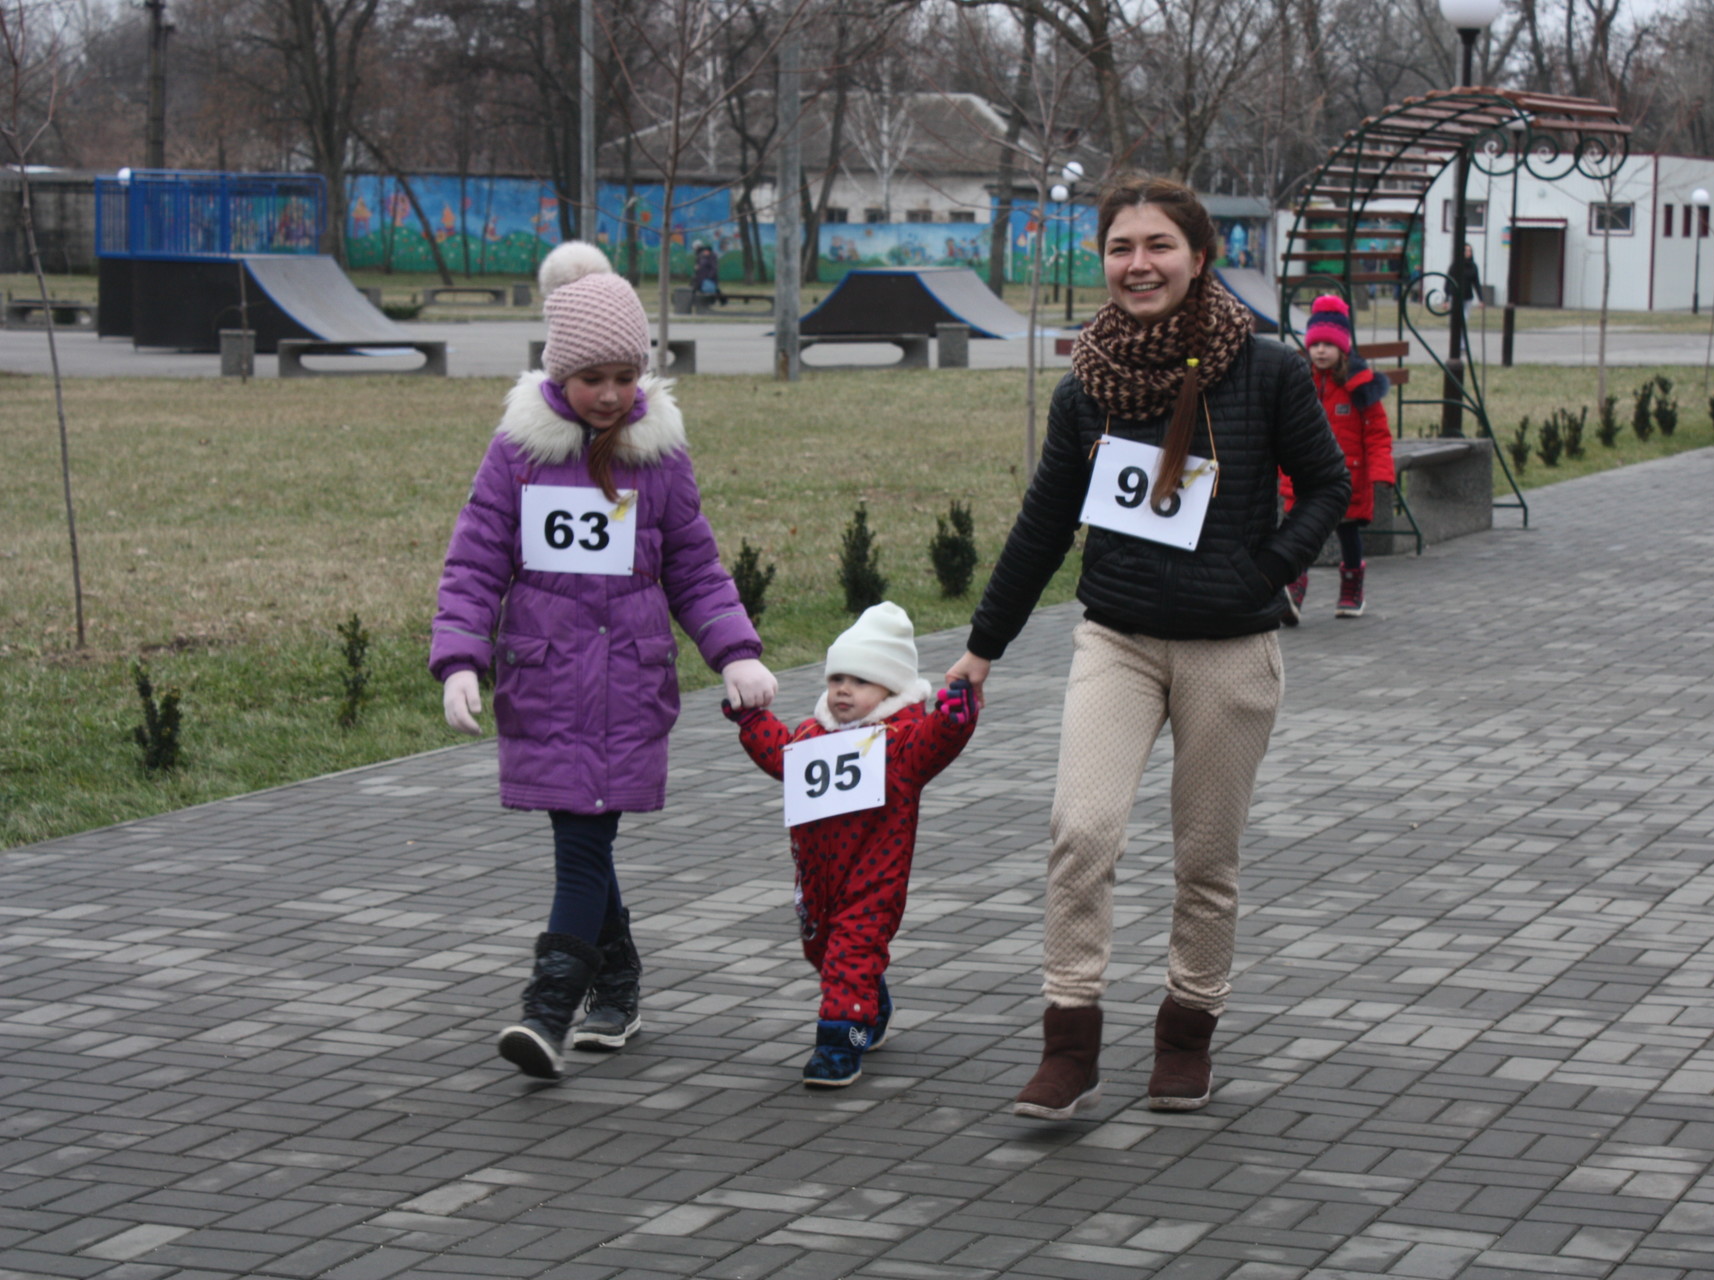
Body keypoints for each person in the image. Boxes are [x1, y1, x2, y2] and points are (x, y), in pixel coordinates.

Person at [944, 175, 1350, 1120]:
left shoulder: (1271, 370)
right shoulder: (1089, 381)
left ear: (1199, 256)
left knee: (1205, 858)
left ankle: (1185, 1033)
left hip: (1230, 649)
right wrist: (981, 647)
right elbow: (1046, 522)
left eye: (1159, 245)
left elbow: (1328, 486)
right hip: (1116, 640)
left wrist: (1268, 572)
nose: (1139, 264)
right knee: (1081, 832)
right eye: (1122, 248)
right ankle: (1069, 1039)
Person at [430, 240, 778, 1081]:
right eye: (594, 380)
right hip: (544, 683)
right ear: (558, 373)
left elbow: (693, 564)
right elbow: (476, 561)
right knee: (584, 844)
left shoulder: (656, 459)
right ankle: (615, 981)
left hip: (627, 683)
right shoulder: (519, 454)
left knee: (583, 846)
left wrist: (733, 651)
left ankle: (546, 1013)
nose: (613, 396)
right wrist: (461, 660)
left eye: (628, 377)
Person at [726, 602, 979, 1088]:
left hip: (873, 881)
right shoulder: (810, 735)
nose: (843, 689)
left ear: (890, 689)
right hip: (819, 880)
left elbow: (936, 741)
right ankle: (871, 1014)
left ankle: (841, 1047)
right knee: (825, 954)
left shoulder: (901, 744)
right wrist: (750, 721)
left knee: (850, 955)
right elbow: (781, 756)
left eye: (860, 681)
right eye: (836, 677)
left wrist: (953, 719)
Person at [1280, 294, 1396, 621]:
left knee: (1348, 535)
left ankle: (1351, 588)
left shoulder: (1359, 387)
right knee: (1300, 534)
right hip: (1304, 475)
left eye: (1328, 345)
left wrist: (1382, 472)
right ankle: (1294, 589)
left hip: (1348, 478)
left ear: (1342, 348)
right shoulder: (1297, 381)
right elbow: (1283, 429)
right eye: (1315, 344)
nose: (1320, 351)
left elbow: (1377, 433)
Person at [1450, 244, 1482, 319]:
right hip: (1456, 296)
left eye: (1470, 251)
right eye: (1466, 251)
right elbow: (1449, 282)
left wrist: (1480, 299)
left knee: (1465, 318)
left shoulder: (1473, 266)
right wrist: (1447, 299)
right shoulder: (1455, 265)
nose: (1468, 253)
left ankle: (1462, 330)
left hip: (1468, 296)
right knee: (1455, 318)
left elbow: (1476, 283)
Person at [691, 243, 722, 311]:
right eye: (704, 251)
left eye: (707, 251)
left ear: (709, 251)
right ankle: (696, 302)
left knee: (711, 290)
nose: (705, 252)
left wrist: (709, 276)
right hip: (700, 277)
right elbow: (699, 264)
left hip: (709, 278)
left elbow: (714, 268)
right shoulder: (701, 256)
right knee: (697, 289)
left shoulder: (712, 257)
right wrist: (697, 268)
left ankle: (718, 301)